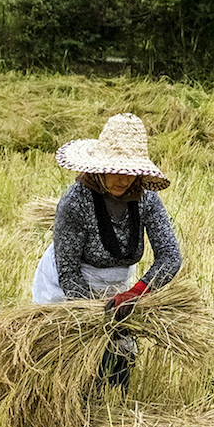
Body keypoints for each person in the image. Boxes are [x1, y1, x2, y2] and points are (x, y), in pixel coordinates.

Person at [32, 113, 182, 390]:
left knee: (118, 364)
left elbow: (170, 256)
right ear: (99, 167)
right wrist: (93, 317)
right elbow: (68, 271)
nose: (122, 179)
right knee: (76, 362)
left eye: (129, 172)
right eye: (115, 169)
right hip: (72, 286)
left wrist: (136, 294)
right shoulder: (75, 202)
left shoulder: (147, 199)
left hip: (119, 286)